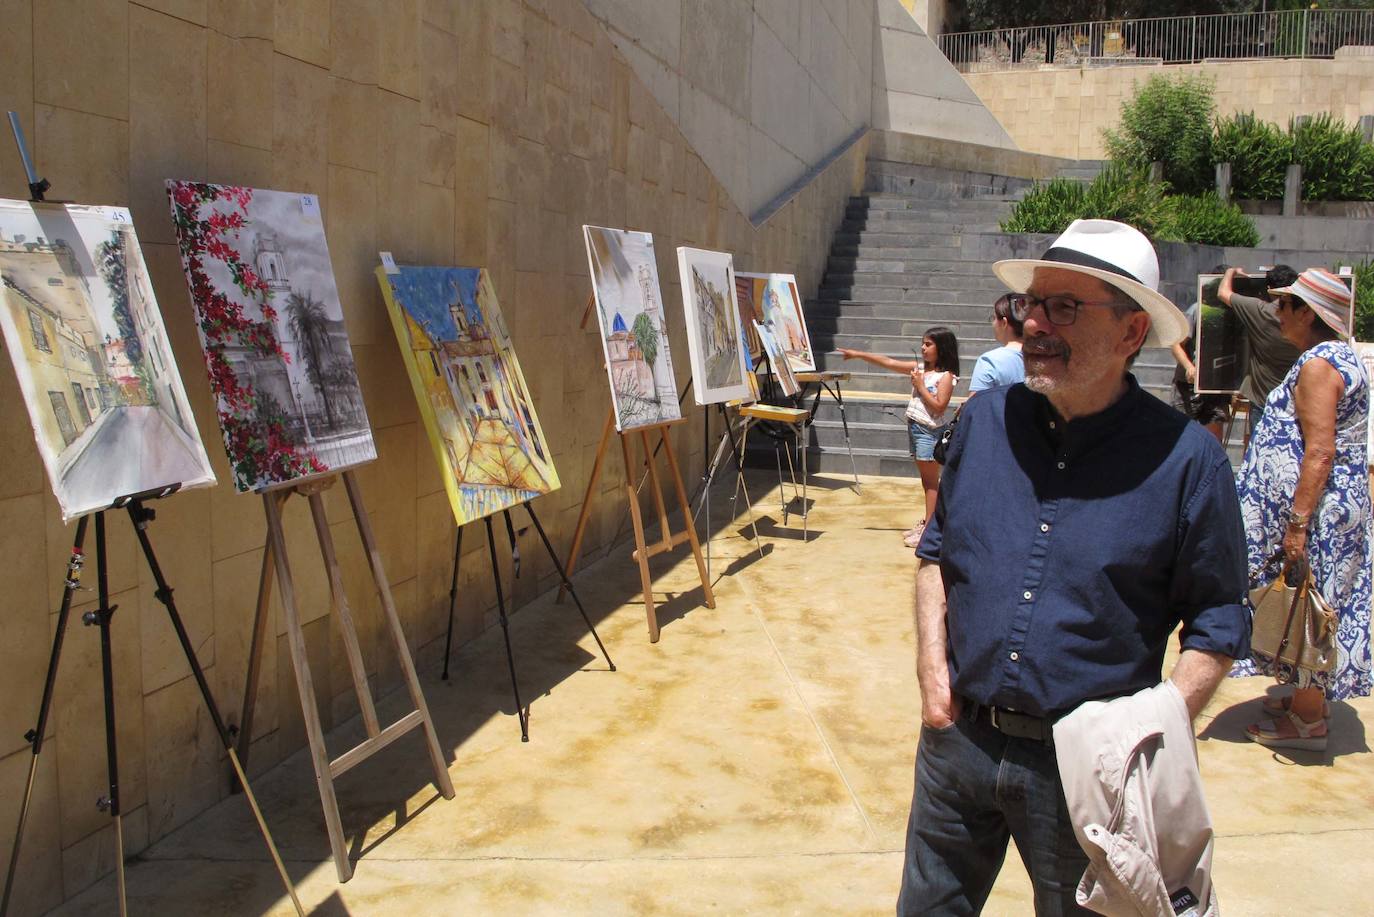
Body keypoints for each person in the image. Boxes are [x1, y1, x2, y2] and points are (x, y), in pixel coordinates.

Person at [900, 219, 1250, 916]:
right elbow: (936, 553)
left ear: (1129, 333)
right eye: (1034, 303)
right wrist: (934, 683)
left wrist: (1133, 742)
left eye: (1065, 307)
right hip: (958, 743)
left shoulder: (1187, 462)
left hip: (1086, 775)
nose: (1035, 322)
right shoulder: (985, 422)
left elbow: (1218, 623)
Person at [1229, 268, 1372, 751]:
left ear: (1308, 313)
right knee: (1316, 599)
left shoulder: (1318, 365)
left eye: (1286, 305)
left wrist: (1296, 524)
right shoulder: (1331, 358)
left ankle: (1309, 721)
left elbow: (1320, 451)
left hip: (1321, 514)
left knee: (1313, 602)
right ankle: (1308, 699)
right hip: (1330, 509)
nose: (1276, 313)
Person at [839, 328, 960, 548]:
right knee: (926, 482)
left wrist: (920, 386)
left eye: (928, 345)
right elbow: (889, 362)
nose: (923, 348)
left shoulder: (946, 377)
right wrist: (858, 354)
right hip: (915, 428)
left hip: (928, 432)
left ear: (941, 348)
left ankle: (930, 531)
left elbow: (939, 407)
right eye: (922, 344)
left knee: (931, 483)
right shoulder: (920, 369)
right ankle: (928, 522)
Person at [1217, 265, 1302, 436]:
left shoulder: (1259, 310)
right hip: (1297, 403)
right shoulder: (1305, 315)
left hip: (1263, 400)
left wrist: (1230, 271)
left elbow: (1223, 293)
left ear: (1269, 290)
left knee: (1261, 456)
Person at [1170, 265, 1233, 443]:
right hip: (1187, 387)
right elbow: (1176, 344)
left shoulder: (1235, 313)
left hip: (1217, 387)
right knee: (1180, 439)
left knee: (1213, 443)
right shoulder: (1197, 309)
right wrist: (1189, 367)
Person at [966, 293, 1025, 396]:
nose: (992, 323)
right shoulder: (1042, 356)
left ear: (1004, 323)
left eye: (994, 318)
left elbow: (977, 404)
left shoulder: (990, 360)